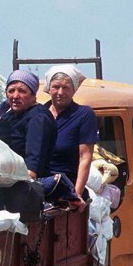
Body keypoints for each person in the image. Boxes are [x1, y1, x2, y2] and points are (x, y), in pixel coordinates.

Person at [0, 69, 83, 207]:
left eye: (22, 91)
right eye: (11, 91)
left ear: (33, 95)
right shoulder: (9, 116)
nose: (15, 96)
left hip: (22, 183)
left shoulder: (38, 117)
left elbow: (34, 160)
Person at [44, 65, 98, 196]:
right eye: (56, 87)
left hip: (68, 185)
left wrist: (76, 195)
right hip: (42, 185)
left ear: (74, 90)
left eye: (66, 87)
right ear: (49, 89)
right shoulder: (40, 113)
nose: (60, 92)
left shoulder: (84, 114)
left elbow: (85, 156)